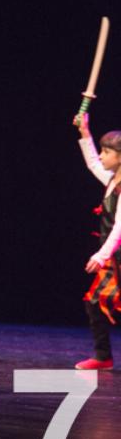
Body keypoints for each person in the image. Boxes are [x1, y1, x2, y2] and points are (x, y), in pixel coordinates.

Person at [74, 112, 121, 370]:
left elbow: (120, 229)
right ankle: (103, 357)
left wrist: (100, 256)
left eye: (106, 152)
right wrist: (85, 132)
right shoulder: (112, 180)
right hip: (114, 259)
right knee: (95, 301)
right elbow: (93, 164)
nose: (101, 156)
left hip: (114, 256)